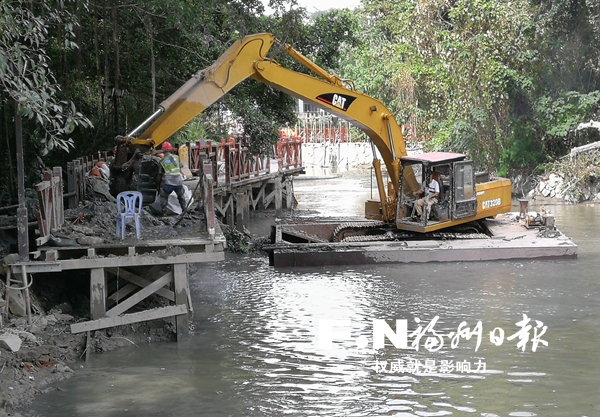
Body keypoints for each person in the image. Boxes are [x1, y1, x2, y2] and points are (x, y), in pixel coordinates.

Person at [153, 141, 188, 215]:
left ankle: (164, 212)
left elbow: (160, 173)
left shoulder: (162, 161)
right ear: (170, 149)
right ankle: (184, 210)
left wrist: (157, 183)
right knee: (181, 196)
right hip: (178, 181)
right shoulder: (176, 157)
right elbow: (181, 166)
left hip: (168, 182)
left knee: (164, 196)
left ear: (163, 150)